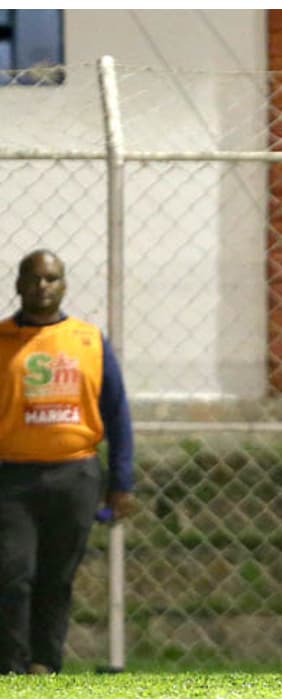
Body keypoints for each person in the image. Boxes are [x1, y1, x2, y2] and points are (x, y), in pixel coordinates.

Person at [0, 249, 137, 675]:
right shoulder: (2, 340)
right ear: (18, 284)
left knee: (56, 578)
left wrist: (122, 481)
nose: (42, 287)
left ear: (64, 285)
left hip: (74, 473)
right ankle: (11, 667)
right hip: (12, 477)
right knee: (11, 575)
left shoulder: (89, 341)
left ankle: (45, 663)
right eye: (34, 278)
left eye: (52, 278)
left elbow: (116, 412)